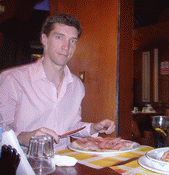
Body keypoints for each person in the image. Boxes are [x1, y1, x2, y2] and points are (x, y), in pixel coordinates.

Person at [0, 13, 115, 151]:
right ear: (44, 39)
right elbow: (2, 132)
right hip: (23, 165)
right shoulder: (12, 80)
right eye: (59, 37)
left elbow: (70, 126)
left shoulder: (76, 85)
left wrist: (92, 127)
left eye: (72, 40)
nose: (66, 47)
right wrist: (25, 137)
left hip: (63, 163)